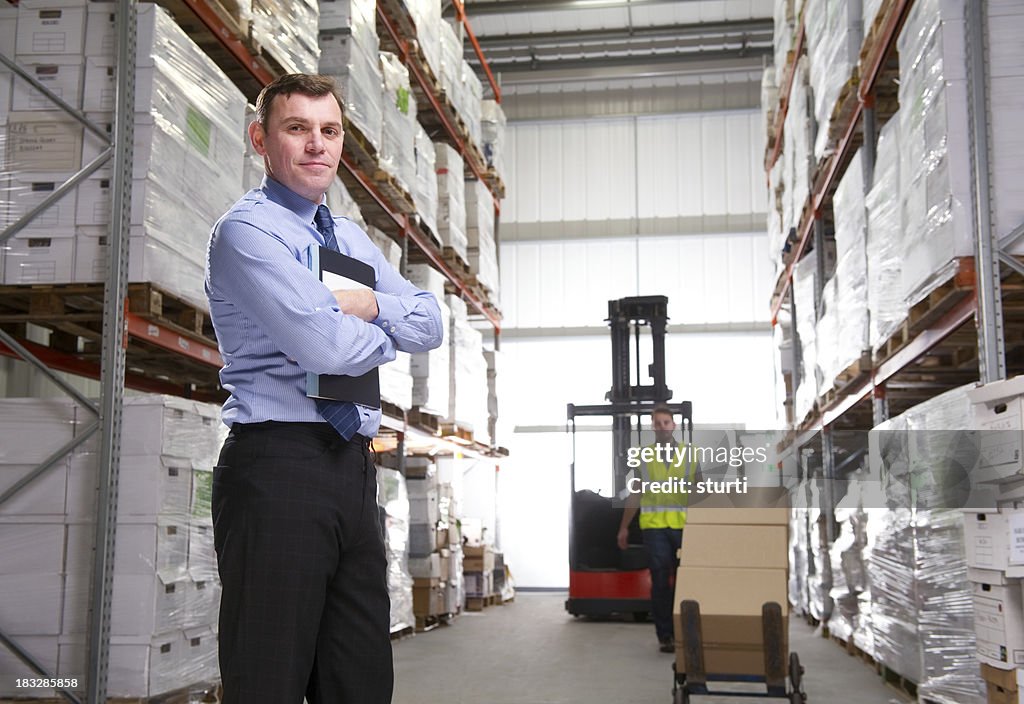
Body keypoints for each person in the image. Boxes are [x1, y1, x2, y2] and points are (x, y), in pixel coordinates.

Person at [205, 73, 443, 704]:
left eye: (329, 130)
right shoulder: (247, 234)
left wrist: (362, 304)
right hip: (276, 468)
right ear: (261, 138)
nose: (317, 145)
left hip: (352, 469)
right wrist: (379, 324)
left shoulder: (353, 238)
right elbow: (327, 348)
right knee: (269, 680)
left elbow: (431, 321)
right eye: (297, 128)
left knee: (361, 680)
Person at [616, 404, 699, 653]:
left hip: (683, 528)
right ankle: (666, 636)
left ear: (673, 425)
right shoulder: (645, 456)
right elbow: (635, 494)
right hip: (654, 530)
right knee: (661, 581)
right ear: (652, 427)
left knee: (687, 580)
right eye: (657, 423)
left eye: (666, 422)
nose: (662, 426)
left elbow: (699, 491)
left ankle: (687, 631)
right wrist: (624, 527)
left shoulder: (689, 454)